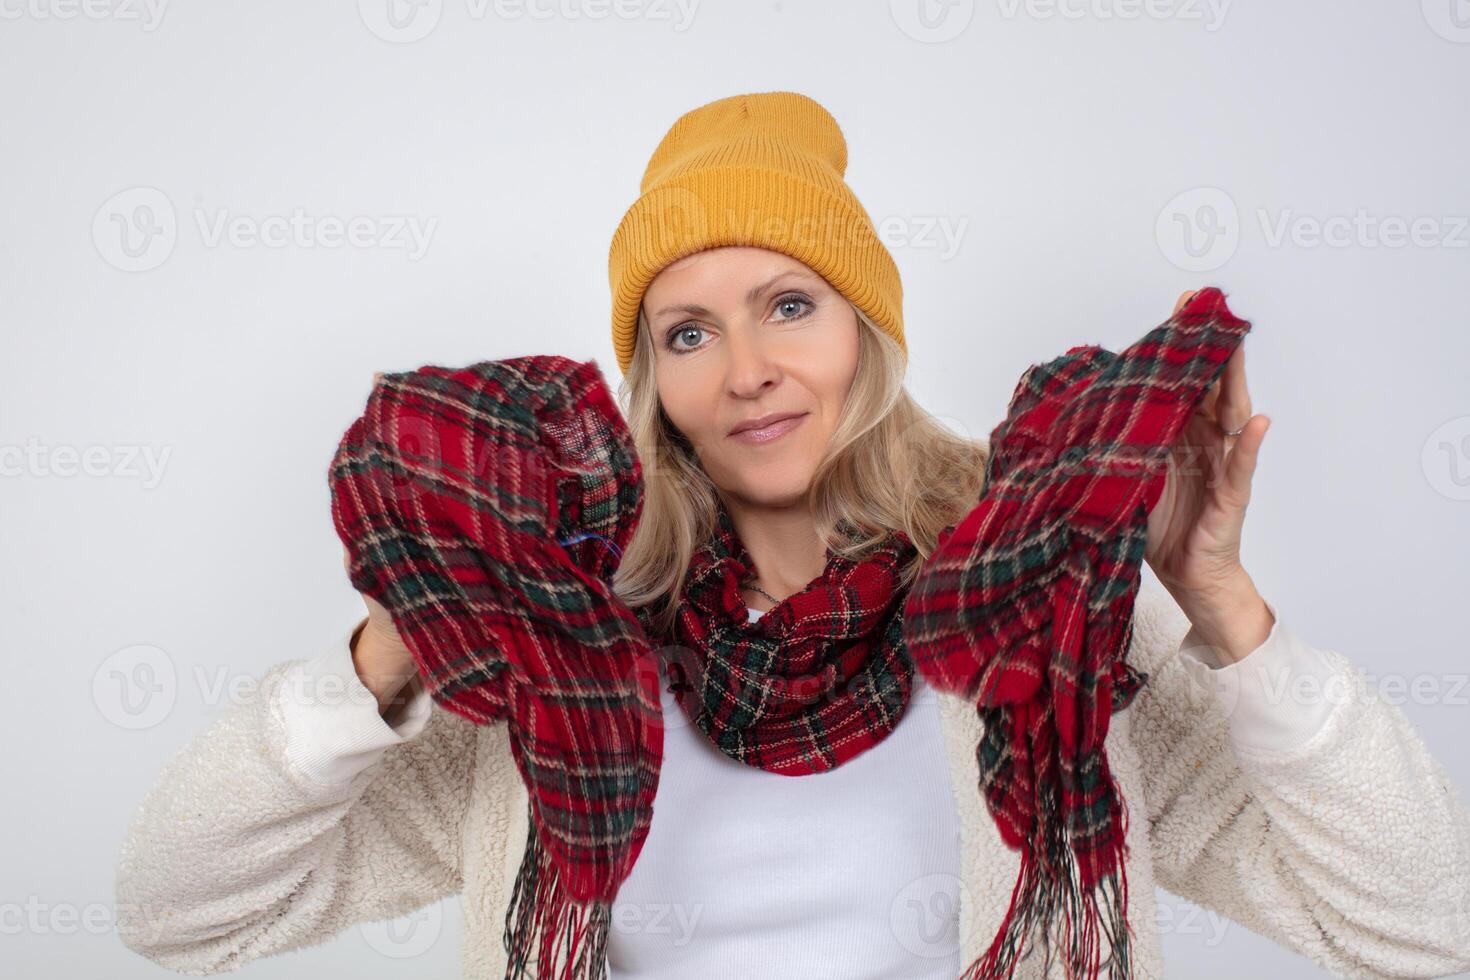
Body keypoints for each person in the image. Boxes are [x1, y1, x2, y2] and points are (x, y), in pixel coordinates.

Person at [115, 91, 1470, 979]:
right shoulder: (565, 658)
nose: (745, 367)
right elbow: (177, 911)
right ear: (653, 387)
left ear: (863, 336)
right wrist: (397, 638)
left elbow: (1413, 925)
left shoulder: (1030, 634)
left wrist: (1221, 601)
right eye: (687, 332)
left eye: (788, 305)